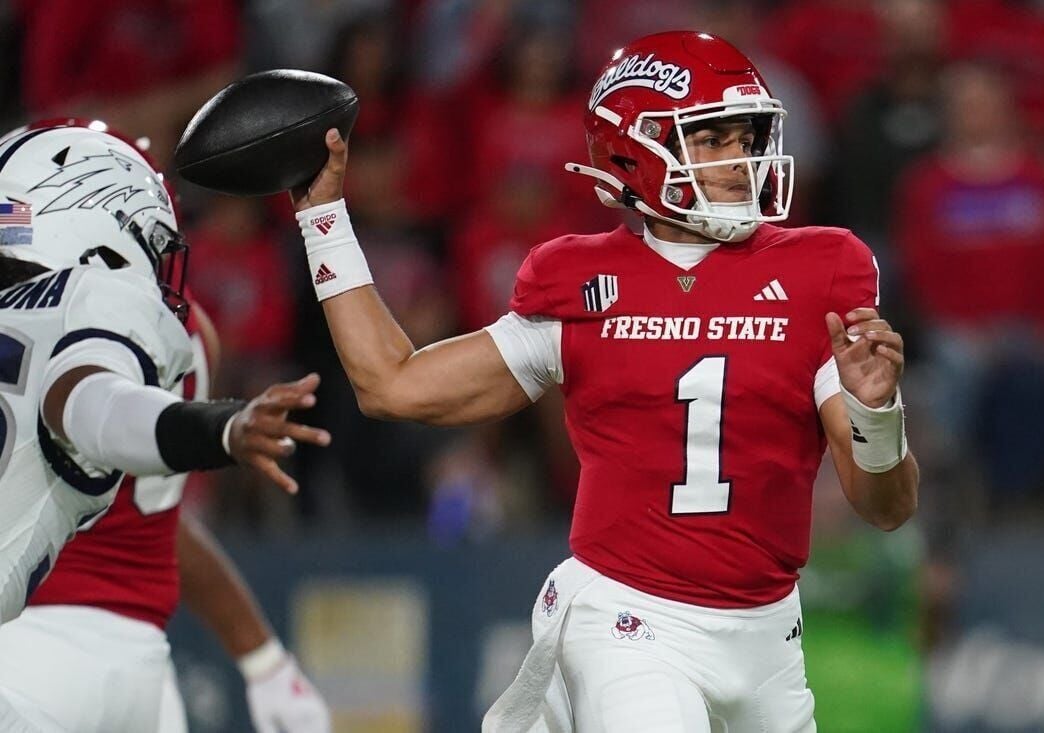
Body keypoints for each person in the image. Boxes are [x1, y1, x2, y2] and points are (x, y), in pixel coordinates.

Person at [291, 31, 919, 732]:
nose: (743, 160)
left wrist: (877, 414)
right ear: (636, 150)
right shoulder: (583, 281)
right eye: (713, 139)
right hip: (629, 618)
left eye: (748, 134)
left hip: (769, 634)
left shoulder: (821, 269)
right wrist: (323, 219)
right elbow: (393, 384)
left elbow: (885, 506)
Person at [0, 120, 330, 732]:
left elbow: (97, 410)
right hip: (138, 673)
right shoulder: (180, 333)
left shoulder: (74, 320)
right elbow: (115, 433)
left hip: (23, 654)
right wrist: (262, 657)